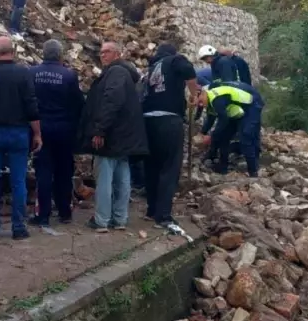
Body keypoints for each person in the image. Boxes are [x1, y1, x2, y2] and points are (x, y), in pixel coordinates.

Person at [0, 36, 42, 239]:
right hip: (18, 133)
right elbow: (32, 107)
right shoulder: (23, 73)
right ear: (13, 51)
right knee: (18, 181)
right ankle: (18, 227)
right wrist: (37, 133)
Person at [75, 41, 147, 232]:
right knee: (123, 178)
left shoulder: (115, 73)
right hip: (124, 137)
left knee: (105, 178)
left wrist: (99, 130)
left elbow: (111, 101)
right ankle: (120, 219)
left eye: (107, 52)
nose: (102, 55)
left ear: (117, 54)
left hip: (111, 137)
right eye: (101, 52)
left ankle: (101, 220)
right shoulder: (125, 75)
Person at [142, 42, 199, 229]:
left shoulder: (151, 69)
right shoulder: (174, 60)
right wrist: (195, 94)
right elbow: (188, 69)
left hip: (148, 121)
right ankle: (163, 215)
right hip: (169, 121)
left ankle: (151, 210)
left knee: (151, 167)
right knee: (170, 167)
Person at [30, 39, 84, 227]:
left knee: (43, 172)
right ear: (60, 55)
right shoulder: (69, 75)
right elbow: (77, 103)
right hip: (64, 129)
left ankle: (42, 215)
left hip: (41, 129)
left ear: (43, 53)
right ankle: (64, 212)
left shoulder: (33, 73)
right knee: (64, 171)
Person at [199, 80, 263, 177]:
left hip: (252, 104)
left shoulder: (216, 99)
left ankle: (253, 171)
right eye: (198, 104)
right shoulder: (209, 101)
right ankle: (223, 167)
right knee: (223, 136)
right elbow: (210, 119)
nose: (200, 105)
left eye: (200, 101)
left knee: (246, 136)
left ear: (203, 93)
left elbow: (223, 120)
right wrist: (203, 133)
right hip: (236, 109)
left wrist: (211, 136)